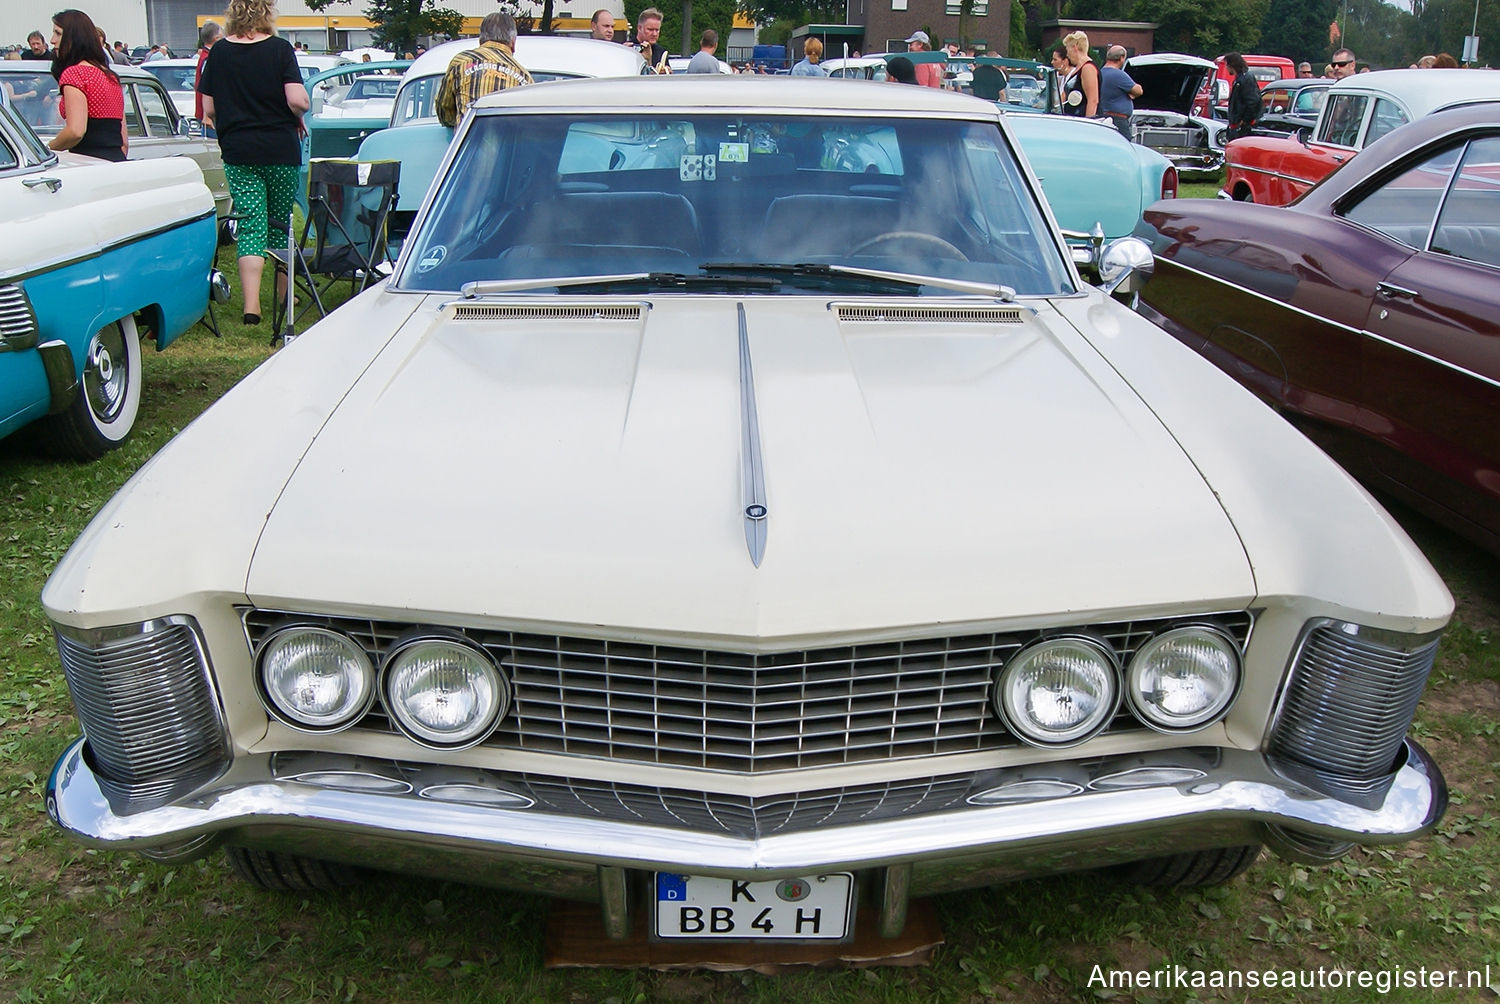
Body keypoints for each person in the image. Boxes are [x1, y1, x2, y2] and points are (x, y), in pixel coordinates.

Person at [198, 0, 309, 326]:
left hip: (239, 151)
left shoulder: (218, 53)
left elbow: (210, 108)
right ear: (267, 14)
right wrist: (299, 113)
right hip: (280, 149)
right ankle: (284, 297)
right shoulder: (279, 49)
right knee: (280, 223)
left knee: (250, 225)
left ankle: (251, 306)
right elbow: (296, 99)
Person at [46, 11, 126, 162]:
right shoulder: (111, 76)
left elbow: (75, 131)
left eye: (58, 33)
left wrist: (48, 150)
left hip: (87, 161)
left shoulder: (76, 74)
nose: (52, 40)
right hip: (117, 161)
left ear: (73, 38)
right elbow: (124, 142)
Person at [434, 13, 532, 128]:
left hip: (469, 143)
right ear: (513, 42)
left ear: (481, 39)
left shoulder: (461, 61)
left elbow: (444, 110)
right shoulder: (524, 77)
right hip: (507, 144)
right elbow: (527, 123)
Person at [1098, 45, 1142, 139]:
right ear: (1121, 58)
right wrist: (1130, 93)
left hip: (1104, 116)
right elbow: (1138, 91)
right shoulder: (1118, 74)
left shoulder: (1100, 72)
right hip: (1118, 119)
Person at [1061, 30, 1099, 117]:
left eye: (1068, 50)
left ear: (1075, 48)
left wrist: (1088, 124)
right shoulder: (1078, 69)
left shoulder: (1088, 68)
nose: (1067, 55)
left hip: (1082, 120)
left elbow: (1093, 100)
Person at [1225, 52, 1261, 140]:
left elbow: (1253, 102)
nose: (1226, 67)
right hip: (1236, 125)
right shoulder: (1239, 79)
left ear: (1231, 65)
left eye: (1226, 65)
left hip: (1243, 128)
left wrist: (1244, 120)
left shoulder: (1245, 79)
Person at [194, 21, 223, 130]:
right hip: (208, 118)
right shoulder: (209, 59)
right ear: (216, 38)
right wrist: (207, 115)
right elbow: (207, 87)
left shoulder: (205, 56)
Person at [634, 8, 671, 72]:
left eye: (657, 30)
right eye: (650, 29)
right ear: (639, 28)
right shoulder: (628, 49)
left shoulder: (661, 52)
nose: (654, 34)